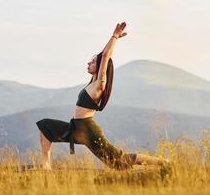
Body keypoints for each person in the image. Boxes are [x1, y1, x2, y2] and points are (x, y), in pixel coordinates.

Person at [36, 22, 168, 170]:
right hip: (76, 128)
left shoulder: (100, 84)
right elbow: (101, 55)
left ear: (99, 67)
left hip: (88, 129)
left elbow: (105, 56)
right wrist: (104, 50)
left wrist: (115, 37)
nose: (88, 63)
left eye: (92, 62)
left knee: (119, 162)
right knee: (46, 126)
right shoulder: (92, 82)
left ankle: (164, 164)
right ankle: (46, 166)